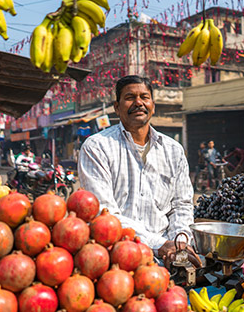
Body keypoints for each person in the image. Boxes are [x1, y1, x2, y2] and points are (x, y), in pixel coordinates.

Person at [78, 75, 201, 268]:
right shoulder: (97, 147)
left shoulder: (173, 150)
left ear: (153, 105)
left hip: (167, 258)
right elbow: (105, 212)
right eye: (129, 97)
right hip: (116, 259)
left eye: (144, 97)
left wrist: (180, 242)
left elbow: (182, 205)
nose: (138, 103)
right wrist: (160, 245)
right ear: (117, 107)